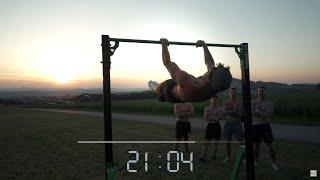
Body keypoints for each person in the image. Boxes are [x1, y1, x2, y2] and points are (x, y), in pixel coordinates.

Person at [148, 38, 232, 103]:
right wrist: (204, 46)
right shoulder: (216, 87)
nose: (212, 68)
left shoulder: (186, 80)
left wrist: (164, 45)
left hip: (170, 92)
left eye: (213, 70)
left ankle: (155, 88)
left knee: (159, 87)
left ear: (209, 78)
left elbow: (167, 63)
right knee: (193, 80)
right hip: (187, 93)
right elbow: (210, 64)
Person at [252, 86, 278, 170]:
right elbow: (251, 113)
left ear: (265, 92)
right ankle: (255, 161)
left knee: (270, 145)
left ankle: (273, 163)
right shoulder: (253, 102)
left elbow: (268, 114)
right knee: (256, 146)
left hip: (265, 125)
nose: (261, 93)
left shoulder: (270, 103)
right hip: (255, 126)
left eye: (262, 91)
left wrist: (258, 111)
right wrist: (262, 112)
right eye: (259, 91)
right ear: (257, 92)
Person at [222, 88, 243, 163]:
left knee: (240, 141)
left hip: (237, 123)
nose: (232, 94)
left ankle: (244, 158)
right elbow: (224, 111)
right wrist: (235, 111)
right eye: (231, 92)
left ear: (236, 93)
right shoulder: (225, 102)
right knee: (228, 141)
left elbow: (240, 113)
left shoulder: (240, 102)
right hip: (228, 123)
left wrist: (229, 111)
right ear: (229, 93)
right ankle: (228, 157)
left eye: (234, 92)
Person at [199, 95, 223, 162]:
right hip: (210, 126)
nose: (214, 101)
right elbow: (205, 118)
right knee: (206, 142)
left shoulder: (220, 109)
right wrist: (215, 117)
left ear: (217, 100)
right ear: (211, 100)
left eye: (215, 100)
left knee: (216, 142)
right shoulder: (207, 108)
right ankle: (202, 156)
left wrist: (210, 116)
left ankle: (214, 156)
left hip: (217, 126)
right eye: (213, 100)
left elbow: (219, 118)